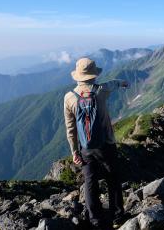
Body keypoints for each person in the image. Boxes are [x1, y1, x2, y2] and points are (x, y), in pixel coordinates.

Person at [63, 57, 128, 229]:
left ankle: (95, 220)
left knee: (90, 181)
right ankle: (117, 216)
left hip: (86, 147)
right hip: (106, 144)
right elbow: (114, 83)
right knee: (112, 179)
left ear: (77, 76)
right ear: (94, 75)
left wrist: (74, 152)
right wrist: (123, 83)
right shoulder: (101, 90)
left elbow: (70, 129)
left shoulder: (69, 97)